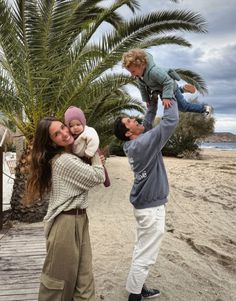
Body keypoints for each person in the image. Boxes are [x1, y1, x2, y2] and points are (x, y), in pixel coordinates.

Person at [26, 117, 105, 301]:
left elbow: (92, 174)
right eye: (56, 134)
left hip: (80, 219)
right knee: (57, 286)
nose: (64, 133)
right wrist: (92, 149)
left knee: (84, 281)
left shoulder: (71, 158)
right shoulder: (62, 161)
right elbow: (97, 176)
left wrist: (90, 157)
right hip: (65, 224)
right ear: (51, 142)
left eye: (63, 127)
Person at [114, 95, 179, 301]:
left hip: (146, 206)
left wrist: (152, 105)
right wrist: (170, 96)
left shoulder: (134, 144)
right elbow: (170, 121)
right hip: (151, 209)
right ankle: (134, 297)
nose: (135, 120)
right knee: (146, 255)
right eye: (130, 121)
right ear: (128, 132)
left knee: (141, 249)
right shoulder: (143, 144)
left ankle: (138, 287)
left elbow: (148, 123)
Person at [122, 48, 212, 115]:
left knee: (183, 107)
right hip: (161, 89)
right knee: (168, 98)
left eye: (133, 71)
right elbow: (142, 88)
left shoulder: (154, 72)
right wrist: (146, 100)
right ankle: (183, 89)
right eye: (130, 72)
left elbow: (168, 82)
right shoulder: (139, 76)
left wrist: (166, 97)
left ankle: (204, 108)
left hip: (170, 86)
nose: (132, 74)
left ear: (142, 65)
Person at [64, 106, 110, 187]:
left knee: (101, 166)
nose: (75, 127)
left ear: (83, 122)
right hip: (83, 155)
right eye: (71, 126)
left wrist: (89, 152)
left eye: (78, 124)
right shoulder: (71, 136)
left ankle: (106, 182)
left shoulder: (88, 130)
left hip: (92, 151)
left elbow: (94, 140)